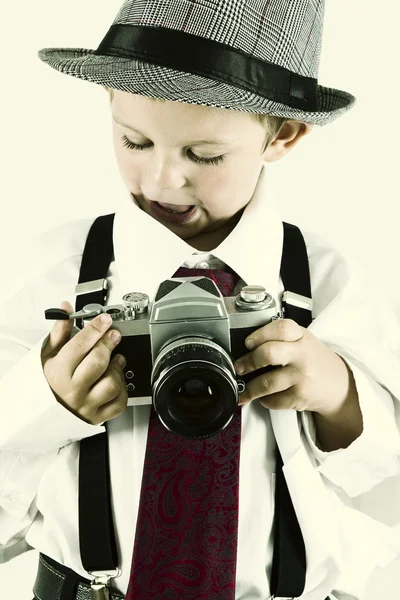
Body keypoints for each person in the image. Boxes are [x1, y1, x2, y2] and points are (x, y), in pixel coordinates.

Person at [1, 0, 400, 599]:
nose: (162, 180)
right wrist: (46, 402)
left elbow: (384, 494)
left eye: (204, 155)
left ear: (283, 134)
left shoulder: (328, 282)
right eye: (135, 141)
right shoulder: (49, 278)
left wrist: (341, 395)